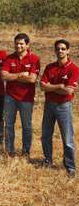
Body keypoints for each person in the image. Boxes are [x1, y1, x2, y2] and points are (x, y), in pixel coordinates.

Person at [40, 39, 78, 177]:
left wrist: (51, 88)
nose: (60, 51)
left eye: (63, 49)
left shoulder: (73, 68)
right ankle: (47, 160)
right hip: (49, 105)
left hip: (64, 106)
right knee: (45, 135)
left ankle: (70, 167)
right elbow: (42, 86)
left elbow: (68, 91)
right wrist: (59, 86)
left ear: (68, 50)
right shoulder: (50, 67)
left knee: (67, 138)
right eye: (57, 49)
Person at [1, 33, 40, 157]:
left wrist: (12, 77)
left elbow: (32, 80)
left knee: (26, 126)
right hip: (10, 97)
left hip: (26, 98)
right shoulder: (9, 58)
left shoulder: (34, 59)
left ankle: (26, 151)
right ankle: (9, 150)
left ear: (27, 45)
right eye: (17, 43)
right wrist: (20, 75)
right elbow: (3, 76)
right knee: (9, 125)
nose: (18, 46)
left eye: (21, 44)